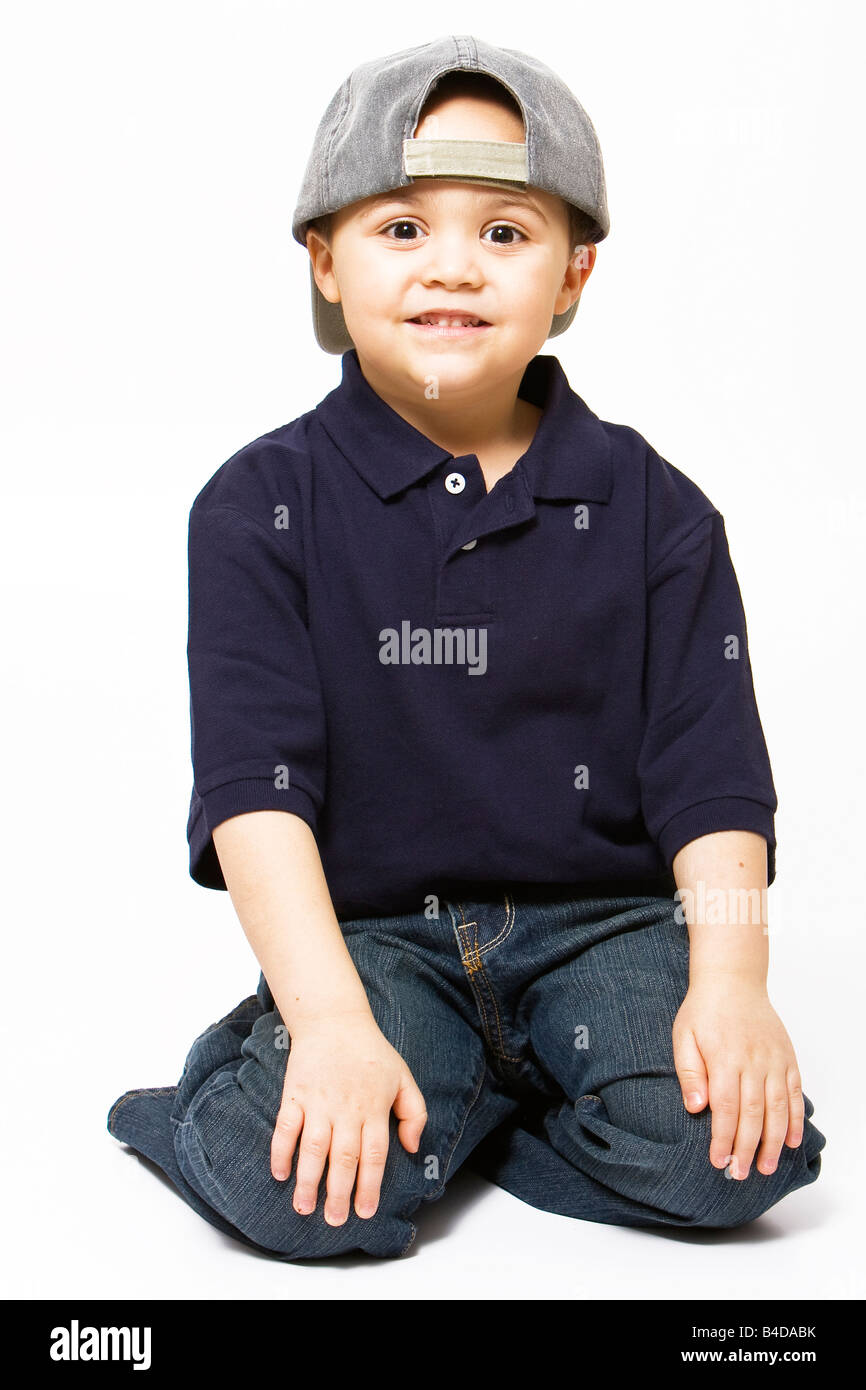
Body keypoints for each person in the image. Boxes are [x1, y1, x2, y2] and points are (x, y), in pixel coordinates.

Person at [107, 34, 825, 1260]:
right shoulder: (256, 505)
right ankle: (253, 1086)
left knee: (735, 1163)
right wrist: (329, 1016)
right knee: (289, 1187)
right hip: (378, 937)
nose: (453, 267)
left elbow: (713, 779)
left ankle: (471, 1119)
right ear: (326, 263)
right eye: (400, 230)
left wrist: (730, 984)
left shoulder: (656, 509)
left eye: (503, 232)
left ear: (573, 273)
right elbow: (252, 786)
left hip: (596, 924)